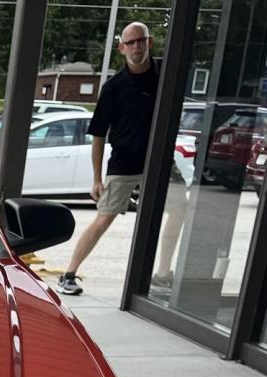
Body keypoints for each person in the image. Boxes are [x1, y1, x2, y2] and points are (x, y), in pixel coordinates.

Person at [57, 22, 186, 296]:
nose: (137, 46)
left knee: (179, 208)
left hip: (160, 161)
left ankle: (162, 274)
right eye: (131, 42)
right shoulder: (114, 87)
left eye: (141, 40)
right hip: (125, 162)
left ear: (149, 42)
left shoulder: (164, 73)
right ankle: (69, 273)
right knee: (104, 218)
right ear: (122, 48)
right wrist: (96, 179)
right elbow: (98, 135)